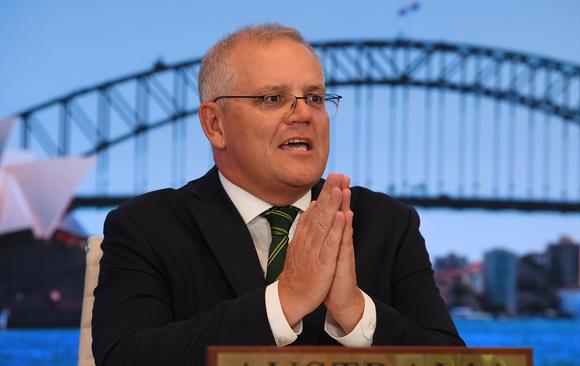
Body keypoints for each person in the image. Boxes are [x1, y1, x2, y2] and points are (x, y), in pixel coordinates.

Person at [92, 23, 464, 366]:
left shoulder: (386, 223)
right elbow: (125, 358)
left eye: (315, 98)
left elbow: (452, 361)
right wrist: (283, 302)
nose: (303, 114)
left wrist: (356, 314)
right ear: (215, 124)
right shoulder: (146, 226)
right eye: (273, 99)